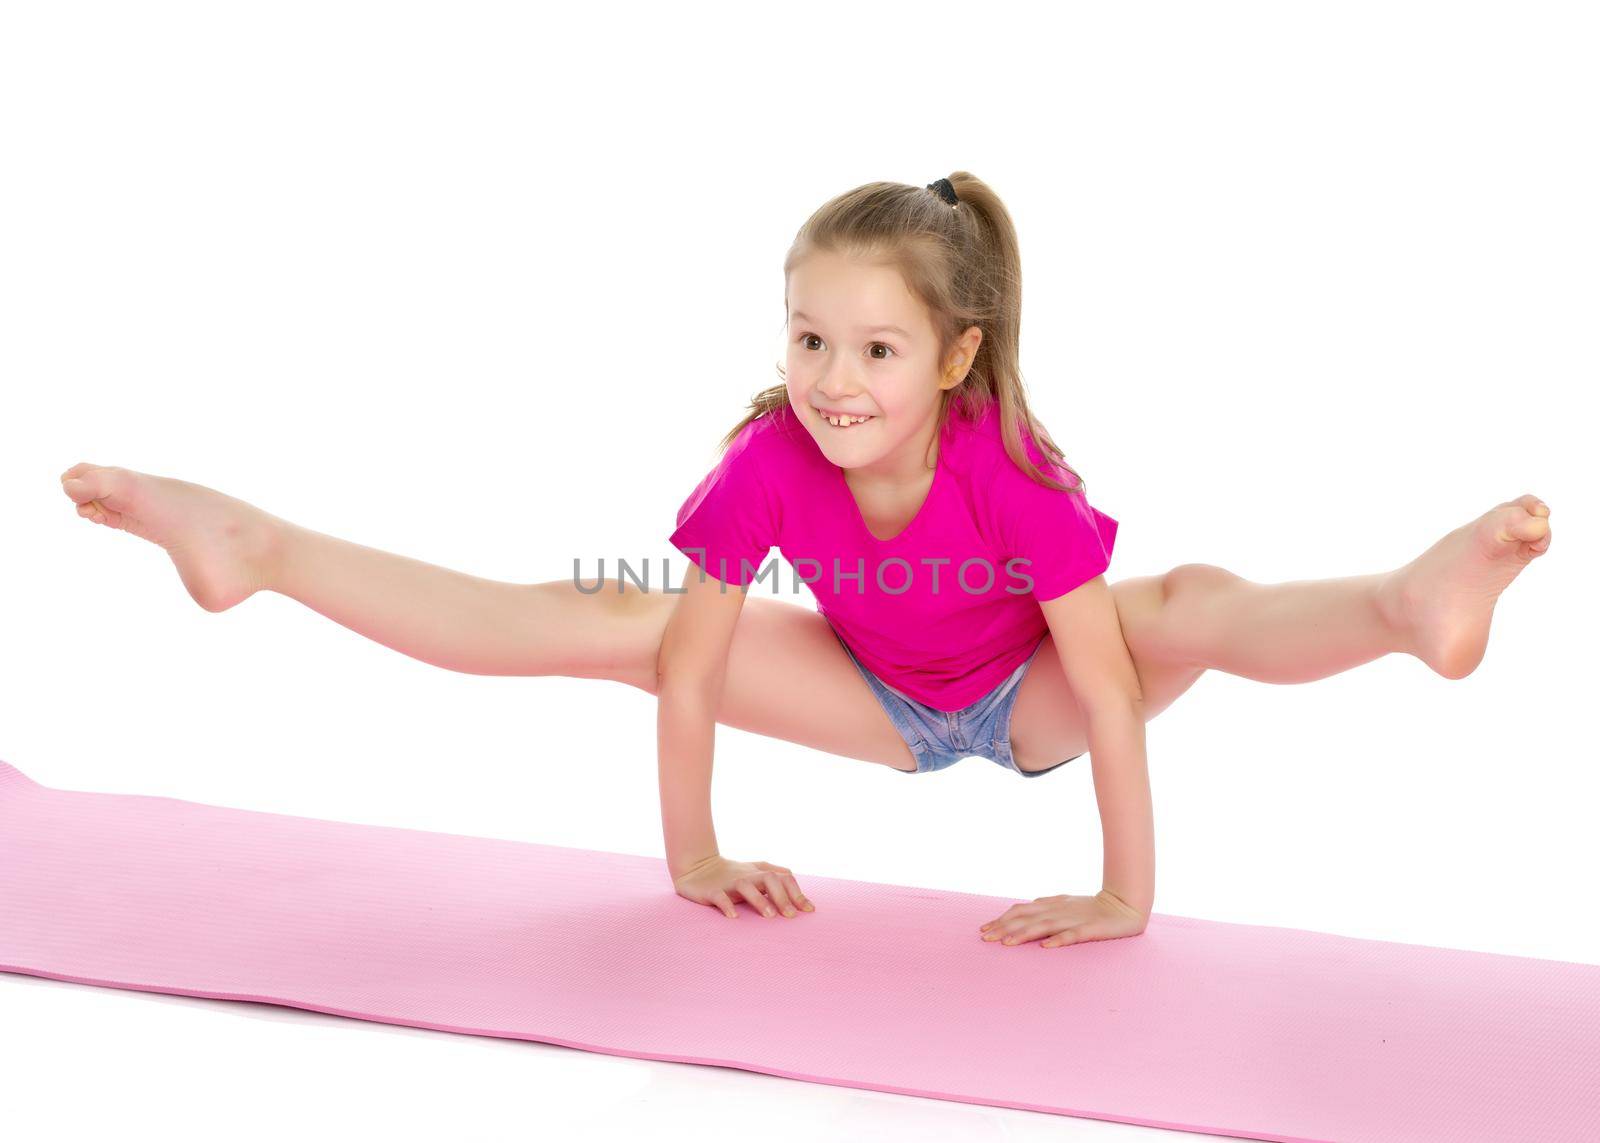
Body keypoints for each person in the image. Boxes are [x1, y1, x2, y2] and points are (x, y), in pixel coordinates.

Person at [56, 172, 1553, 952]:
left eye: (879, 349)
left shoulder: (1012, 469)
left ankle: (1404, 605)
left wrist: (1122, 898)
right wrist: (693, 858)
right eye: (810, 338)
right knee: (611, 617)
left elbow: (1100, 690)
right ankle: (263, 546)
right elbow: (695, 664)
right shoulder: (768, 460)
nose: (838, 379)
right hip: (868, 700)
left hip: (1029, 698)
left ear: (958, 354)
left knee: (1190, 606)